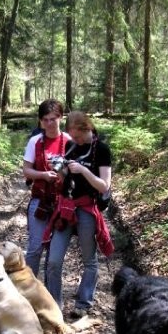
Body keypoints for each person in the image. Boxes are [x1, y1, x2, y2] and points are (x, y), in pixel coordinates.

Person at [43, 111, 114, 317]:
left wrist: (83, 170)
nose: (75, 140)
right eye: (72, 136)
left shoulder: (101, 149)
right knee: (54, 260)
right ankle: (54, 304)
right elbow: (66, 177)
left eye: (78, 136)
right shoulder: (71, 146)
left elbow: (104, 186)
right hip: (65, 207)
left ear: (87, 128)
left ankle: (83, 303)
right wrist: (59, 168)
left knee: (89, 260)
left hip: (86, 208)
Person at [22, 99, 71, 277]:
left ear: (61, 118)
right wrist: (42, 175)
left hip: (62, 202)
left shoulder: (69, 141)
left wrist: (62, 173)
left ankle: (50, 298)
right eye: (45, 120)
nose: (49, 124)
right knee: (35, 248)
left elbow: (77, 173)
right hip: (40, 200)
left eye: (53, 119)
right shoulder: (35, 141)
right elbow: (26, 170)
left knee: (53, 256)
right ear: (40, 121)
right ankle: (28, 290)